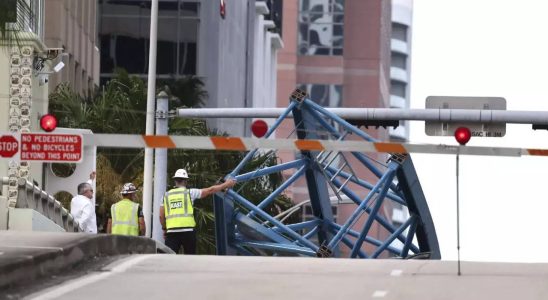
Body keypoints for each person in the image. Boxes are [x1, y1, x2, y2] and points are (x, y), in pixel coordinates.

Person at [160, 169, 236, 254]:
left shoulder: (166, 196)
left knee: (170, 259)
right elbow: (210, 190)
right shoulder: (190, 193)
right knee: (190, 258)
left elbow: (161, 215)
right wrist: (226, 184)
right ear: (185, 181)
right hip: (188, 232)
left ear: (175, 180)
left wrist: (164, 229)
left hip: (172, 233)